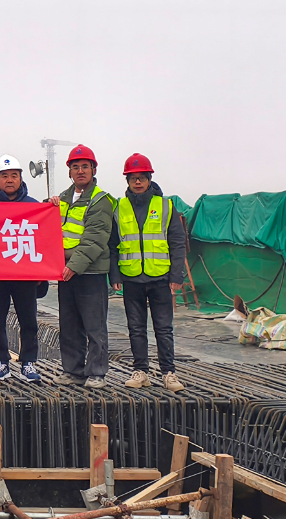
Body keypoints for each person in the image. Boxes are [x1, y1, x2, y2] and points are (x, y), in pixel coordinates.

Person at [111, 154, 186, 393]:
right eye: (133, 178)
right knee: (136, 328)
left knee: (163, 328)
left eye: (142, 178)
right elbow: (112, 244)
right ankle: (141, 371)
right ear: (127, 181)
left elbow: (177, 242)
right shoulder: (119, 208)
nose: (138, 182)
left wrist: (176, 275)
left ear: (149, 179)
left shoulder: (165, 206)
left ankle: (168, 373)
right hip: (132, 278)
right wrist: (115, 275)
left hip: (160, 278)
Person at [53, 144, 115, 388]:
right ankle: (73, 371)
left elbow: (95, 238)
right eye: (75, 167)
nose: (80, 171)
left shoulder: (101, 200)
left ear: (93, 170)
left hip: (90, 272)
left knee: (94, 326)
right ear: (69, 171)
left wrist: (74, 266)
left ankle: (97, 372)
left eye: (85, 167)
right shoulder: (62, 199)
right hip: (65, 272)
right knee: (69, 325)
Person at [0, 155, 43, 383]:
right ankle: (1, 361)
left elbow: (43, 240)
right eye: (4, 176)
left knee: (28, 320)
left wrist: (42, 271)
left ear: (21, 178)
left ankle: (28, 363)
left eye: (14, 176)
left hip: (25, 275)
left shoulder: (34, 207)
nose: (9, 180)